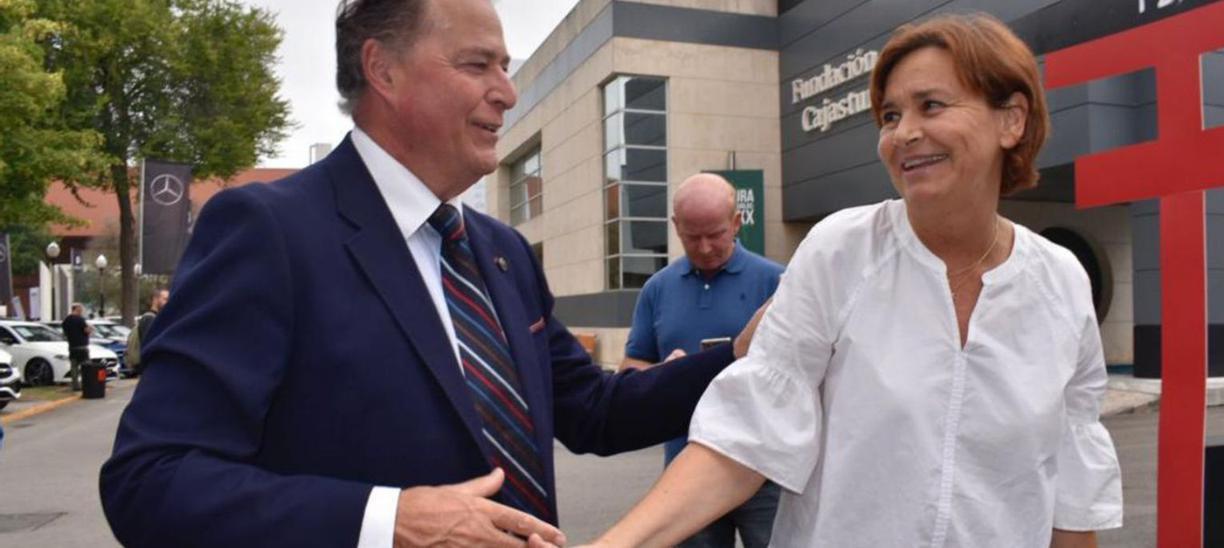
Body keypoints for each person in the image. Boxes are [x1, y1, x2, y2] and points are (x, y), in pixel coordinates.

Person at [98, 1, 749, 547]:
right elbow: (152, 480)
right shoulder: (269, 232)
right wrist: (386, 521)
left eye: (506, 66)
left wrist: (745, 356)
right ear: (382, 69)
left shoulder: (502, 250)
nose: (508, 91)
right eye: (477, 64)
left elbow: (593, 412)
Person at [582, 13, 1122, 548]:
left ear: (1012, 120)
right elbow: (746, 436)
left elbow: (1070, 494)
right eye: (890, 115)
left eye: (930, 105)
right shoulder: (841, 251)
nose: (904, 133)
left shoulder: (1060, 282)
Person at [620, 173, 783, 548]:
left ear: (737, 222)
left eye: (716, 233)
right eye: (692, 237)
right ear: (675, 226)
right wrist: (662, 374)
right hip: (687, 470)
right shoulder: (657, 288)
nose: (706, 247)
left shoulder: (778, 282)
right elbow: (632, 368)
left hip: (765, 469)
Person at [126, 288, 168, 376]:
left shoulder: (155, 318)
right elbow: (149, 344)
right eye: (165, 299)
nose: (167, 302)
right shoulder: (149, 319)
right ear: (155, 299)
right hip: (150, 368)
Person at [60, 303, 91, 391]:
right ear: (77, 309)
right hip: (82, 346)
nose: (81, 311)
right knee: (86, 366)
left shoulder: (66, 320)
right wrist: (90, 329)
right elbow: (86, 330)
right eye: (80, 309)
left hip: (72, 346)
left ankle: (75, 385)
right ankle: (87, 384)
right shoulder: (80, 319)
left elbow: (64, 332)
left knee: (74, 367)